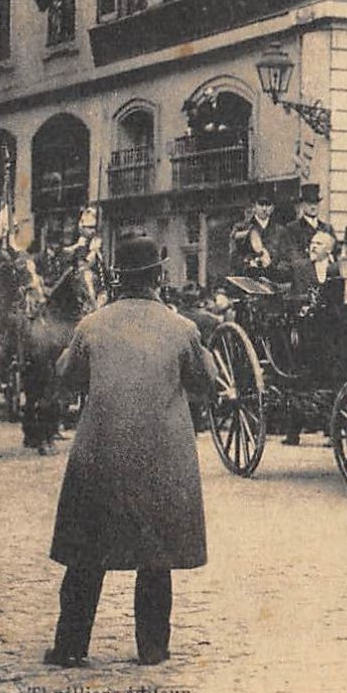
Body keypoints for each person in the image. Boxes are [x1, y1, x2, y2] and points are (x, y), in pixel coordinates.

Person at [44, 232, 214, 668]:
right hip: (163, 461)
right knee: (155, 559)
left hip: (99, 457)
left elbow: (65, 377)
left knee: (86, 555)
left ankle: (69, 647)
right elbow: (206, 385)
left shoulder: (92, 325)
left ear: (117, 278)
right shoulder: (182, 328)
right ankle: (153, 649)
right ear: (158, 277)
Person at [280, 184, 337, 276]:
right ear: (302, 204)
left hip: (326, 275)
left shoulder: (327, 228)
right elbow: (293, 256)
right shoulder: (292, 228)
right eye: (309, 203)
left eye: (315, 203)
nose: (313, 207)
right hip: (303, 276)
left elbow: (334, 254)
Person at [232, 190, 288, 283]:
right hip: (248, 280)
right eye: (261, 204)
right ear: (254, 206)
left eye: (268, 205)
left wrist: (273, 267)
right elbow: (234, 256)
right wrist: (248, 263)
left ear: (273, 208)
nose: (264, 208)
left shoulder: (281, 230)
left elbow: (285, 258)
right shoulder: (241, 228)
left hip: (273, 281)